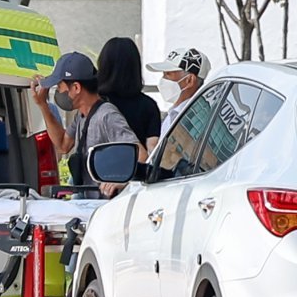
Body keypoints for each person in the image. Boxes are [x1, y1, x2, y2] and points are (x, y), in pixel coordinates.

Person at [32, 51, 146, 197]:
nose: (58, 91)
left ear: (76, 88)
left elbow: (141, 156)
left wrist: (121, 180)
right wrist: (43, 105)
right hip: (86, 200)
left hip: (104, 205)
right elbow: (63, 145)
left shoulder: (107, 116)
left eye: (60, 86)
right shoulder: (82, 115)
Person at [97, 37, 162, 151]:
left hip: (96, 166)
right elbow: (152, 149)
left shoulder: (96, 102)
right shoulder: (149, 106)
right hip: (136, 167)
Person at [147, 47, 210, 140]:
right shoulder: (174, 113)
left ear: (189, 80)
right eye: (163, 74)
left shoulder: (194, 121)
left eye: (168, 74)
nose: (163, 80)